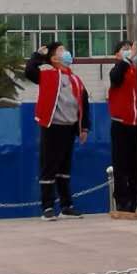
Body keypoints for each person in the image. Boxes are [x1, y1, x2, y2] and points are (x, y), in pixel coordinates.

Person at [25, 41, 89, 220]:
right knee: (49, 167)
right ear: (54, 59)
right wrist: (38, 56)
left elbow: (84, 104)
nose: (66, 52)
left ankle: (66, 206)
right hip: (52, 127)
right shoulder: (47, 75)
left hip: (70, 128)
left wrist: (84, 127)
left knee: (64, 168)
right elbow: (29, 71)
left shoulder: (76, 79)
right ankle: (47, 207)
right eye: (61, 50)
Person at [106, 39, 137, 213]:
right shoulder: (117, 69)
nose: (130, 51)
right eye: (125, 49)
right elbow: (115, 77)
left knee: (136, 164)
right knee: (121, 164)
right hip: (120, 124)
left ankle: (136, 199)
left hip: (136, 124)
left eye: (131, 48)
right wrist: (128, 58)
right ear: (117, 54)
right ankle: (122, 200)